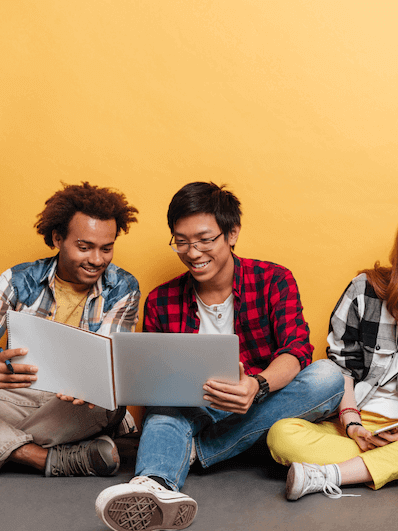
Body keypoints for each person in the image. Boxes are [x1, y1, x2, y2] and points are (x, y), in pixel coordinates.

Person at [95, 182, 345, 531]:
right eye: (181, 241)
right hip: (192, 407)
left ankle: (195, 450)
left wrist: (256, 385)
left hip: (261, 404)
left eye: (204, 239)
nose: (192, 252)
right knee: (164, 408)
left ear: (232, 234)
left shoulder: (274, 279)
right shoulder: (160, 300)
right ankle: (153, 485)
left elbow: (297, 349)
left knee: (328, 377)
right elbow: (153, 381)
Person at [266, 200, 398, 500]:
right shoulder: (365, 290)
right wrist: (354, 425)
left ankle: (333, 474)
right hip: (353, 423)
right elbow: (341, 368)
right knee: (280, 436)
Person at [0, 182, 140, 477]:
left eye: (106, 249)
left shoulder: (122, 287)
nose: (97, 260)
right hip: (17, 399)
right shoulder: (18, 280)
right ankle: (40, 458)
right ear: (58, 238)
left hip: (77, 409)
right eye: (84, 247)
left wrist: (94, 381)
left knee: (108, 401)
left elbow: (108, 365)